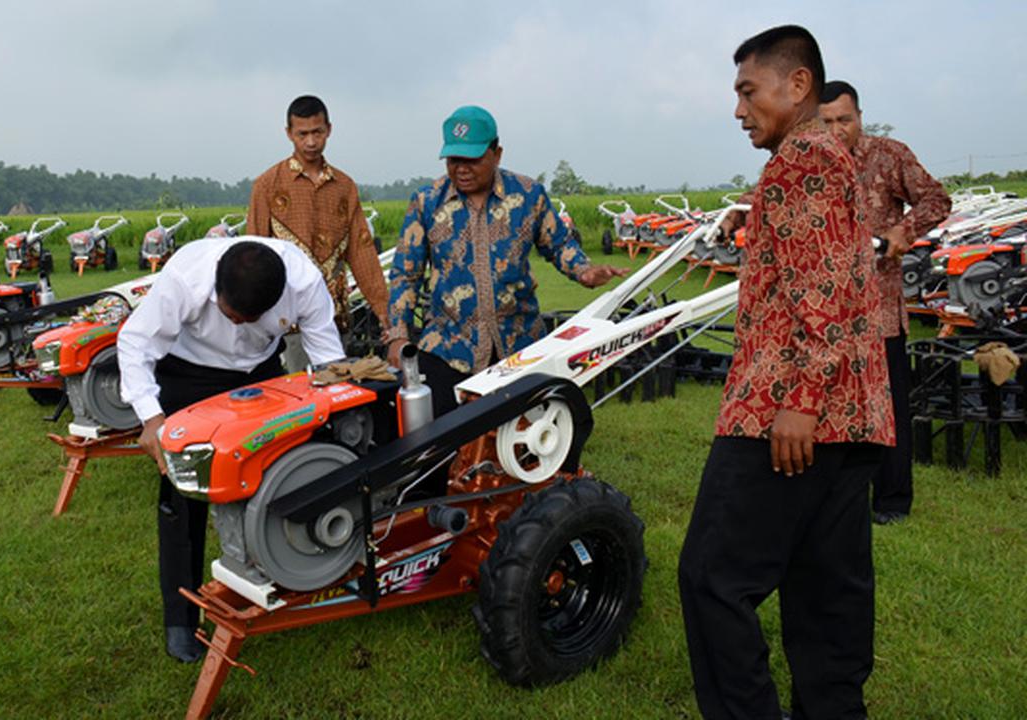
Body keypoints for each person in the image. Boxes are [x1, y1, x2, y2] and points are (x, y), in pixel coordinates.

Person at [677, 26, 895, 720]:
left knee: (711, 579)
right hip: (850, 419)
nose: (739, 110)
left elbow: (824, 291)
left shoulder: (801, 163)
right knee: (825, 595)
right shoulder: (831, 159)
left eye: (748, 91)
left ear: (796, 85)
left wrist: (799, 401)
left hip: (784, 415)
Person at [117, 237, 344, 662]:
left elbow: (328, 360)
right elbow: (134, 343)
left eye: (250, 318)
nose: (238, 325)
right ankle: (181, 620)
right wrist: (151, 418)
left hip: (260, 375)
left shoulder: (304, 282)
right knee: (184, 494)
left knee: (276, 480)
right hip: (189, 373)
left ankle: (278, 582)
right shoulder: (186, 277)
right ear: (215, 290)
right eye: (231, 315)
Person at [384, 105, 627, 415]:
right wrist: (398, 335)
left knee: (531, 443)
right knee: (445, 450)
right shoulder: (426, 201)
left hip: (519, 346)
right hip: (448, 348)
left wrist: (585, 271)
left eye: (472, 160)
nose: (462, 169)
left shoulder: (528, 195)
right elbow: (406, 274)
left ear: (496, 153)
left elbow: (559, 243)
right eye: (454, 160)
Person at [819, 80, 951, 525]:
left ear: (860, 116)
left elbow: (936, 198)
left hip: (878, 311)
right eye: (827, 121)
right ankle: (838, 498)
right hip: (827, 313)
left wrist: (903, 232)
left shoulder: (889, 155)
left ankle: (892, 500)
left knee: (889, 406)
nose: (837, 129)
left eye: (845, 119)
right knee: (832, 405)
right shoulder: (810, 160)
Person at [247, 95, 390, 365]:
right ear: (289, 133)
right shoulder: (267, 185)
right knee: (299, 396)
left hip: (335, 318)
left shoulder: (344, 187)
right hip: (287, 320)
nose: (311, 142)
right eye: (302, 134)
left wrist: (382, 307)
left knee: (337, 389)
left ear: (329, 130)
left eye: (317, 132)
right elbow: (255, 251)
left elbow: (361, 250)